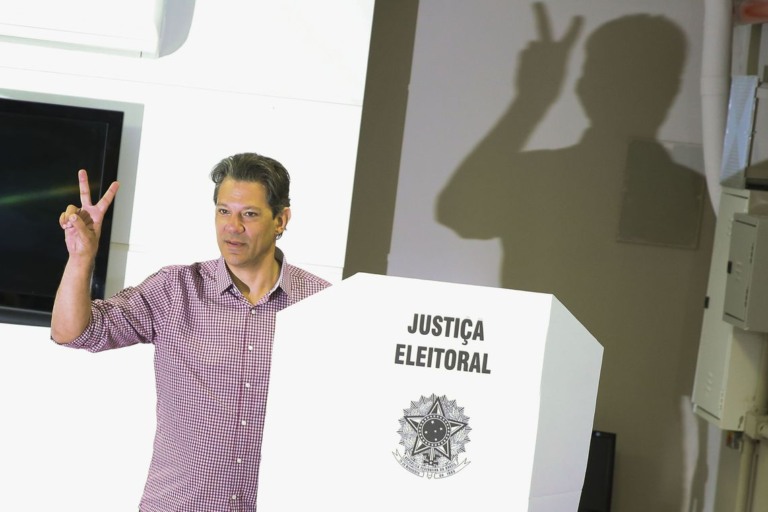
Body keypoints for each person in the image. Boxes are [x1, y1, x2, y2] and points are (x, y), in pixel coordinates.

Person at [51, 152, 331, 511]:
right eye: (223, 211)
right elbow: (74, 332)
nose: (232, 226)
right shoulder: (176, 289)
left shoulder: (323, 305)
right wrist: (80, 258)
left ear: (281, 219)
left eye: (249, 214)